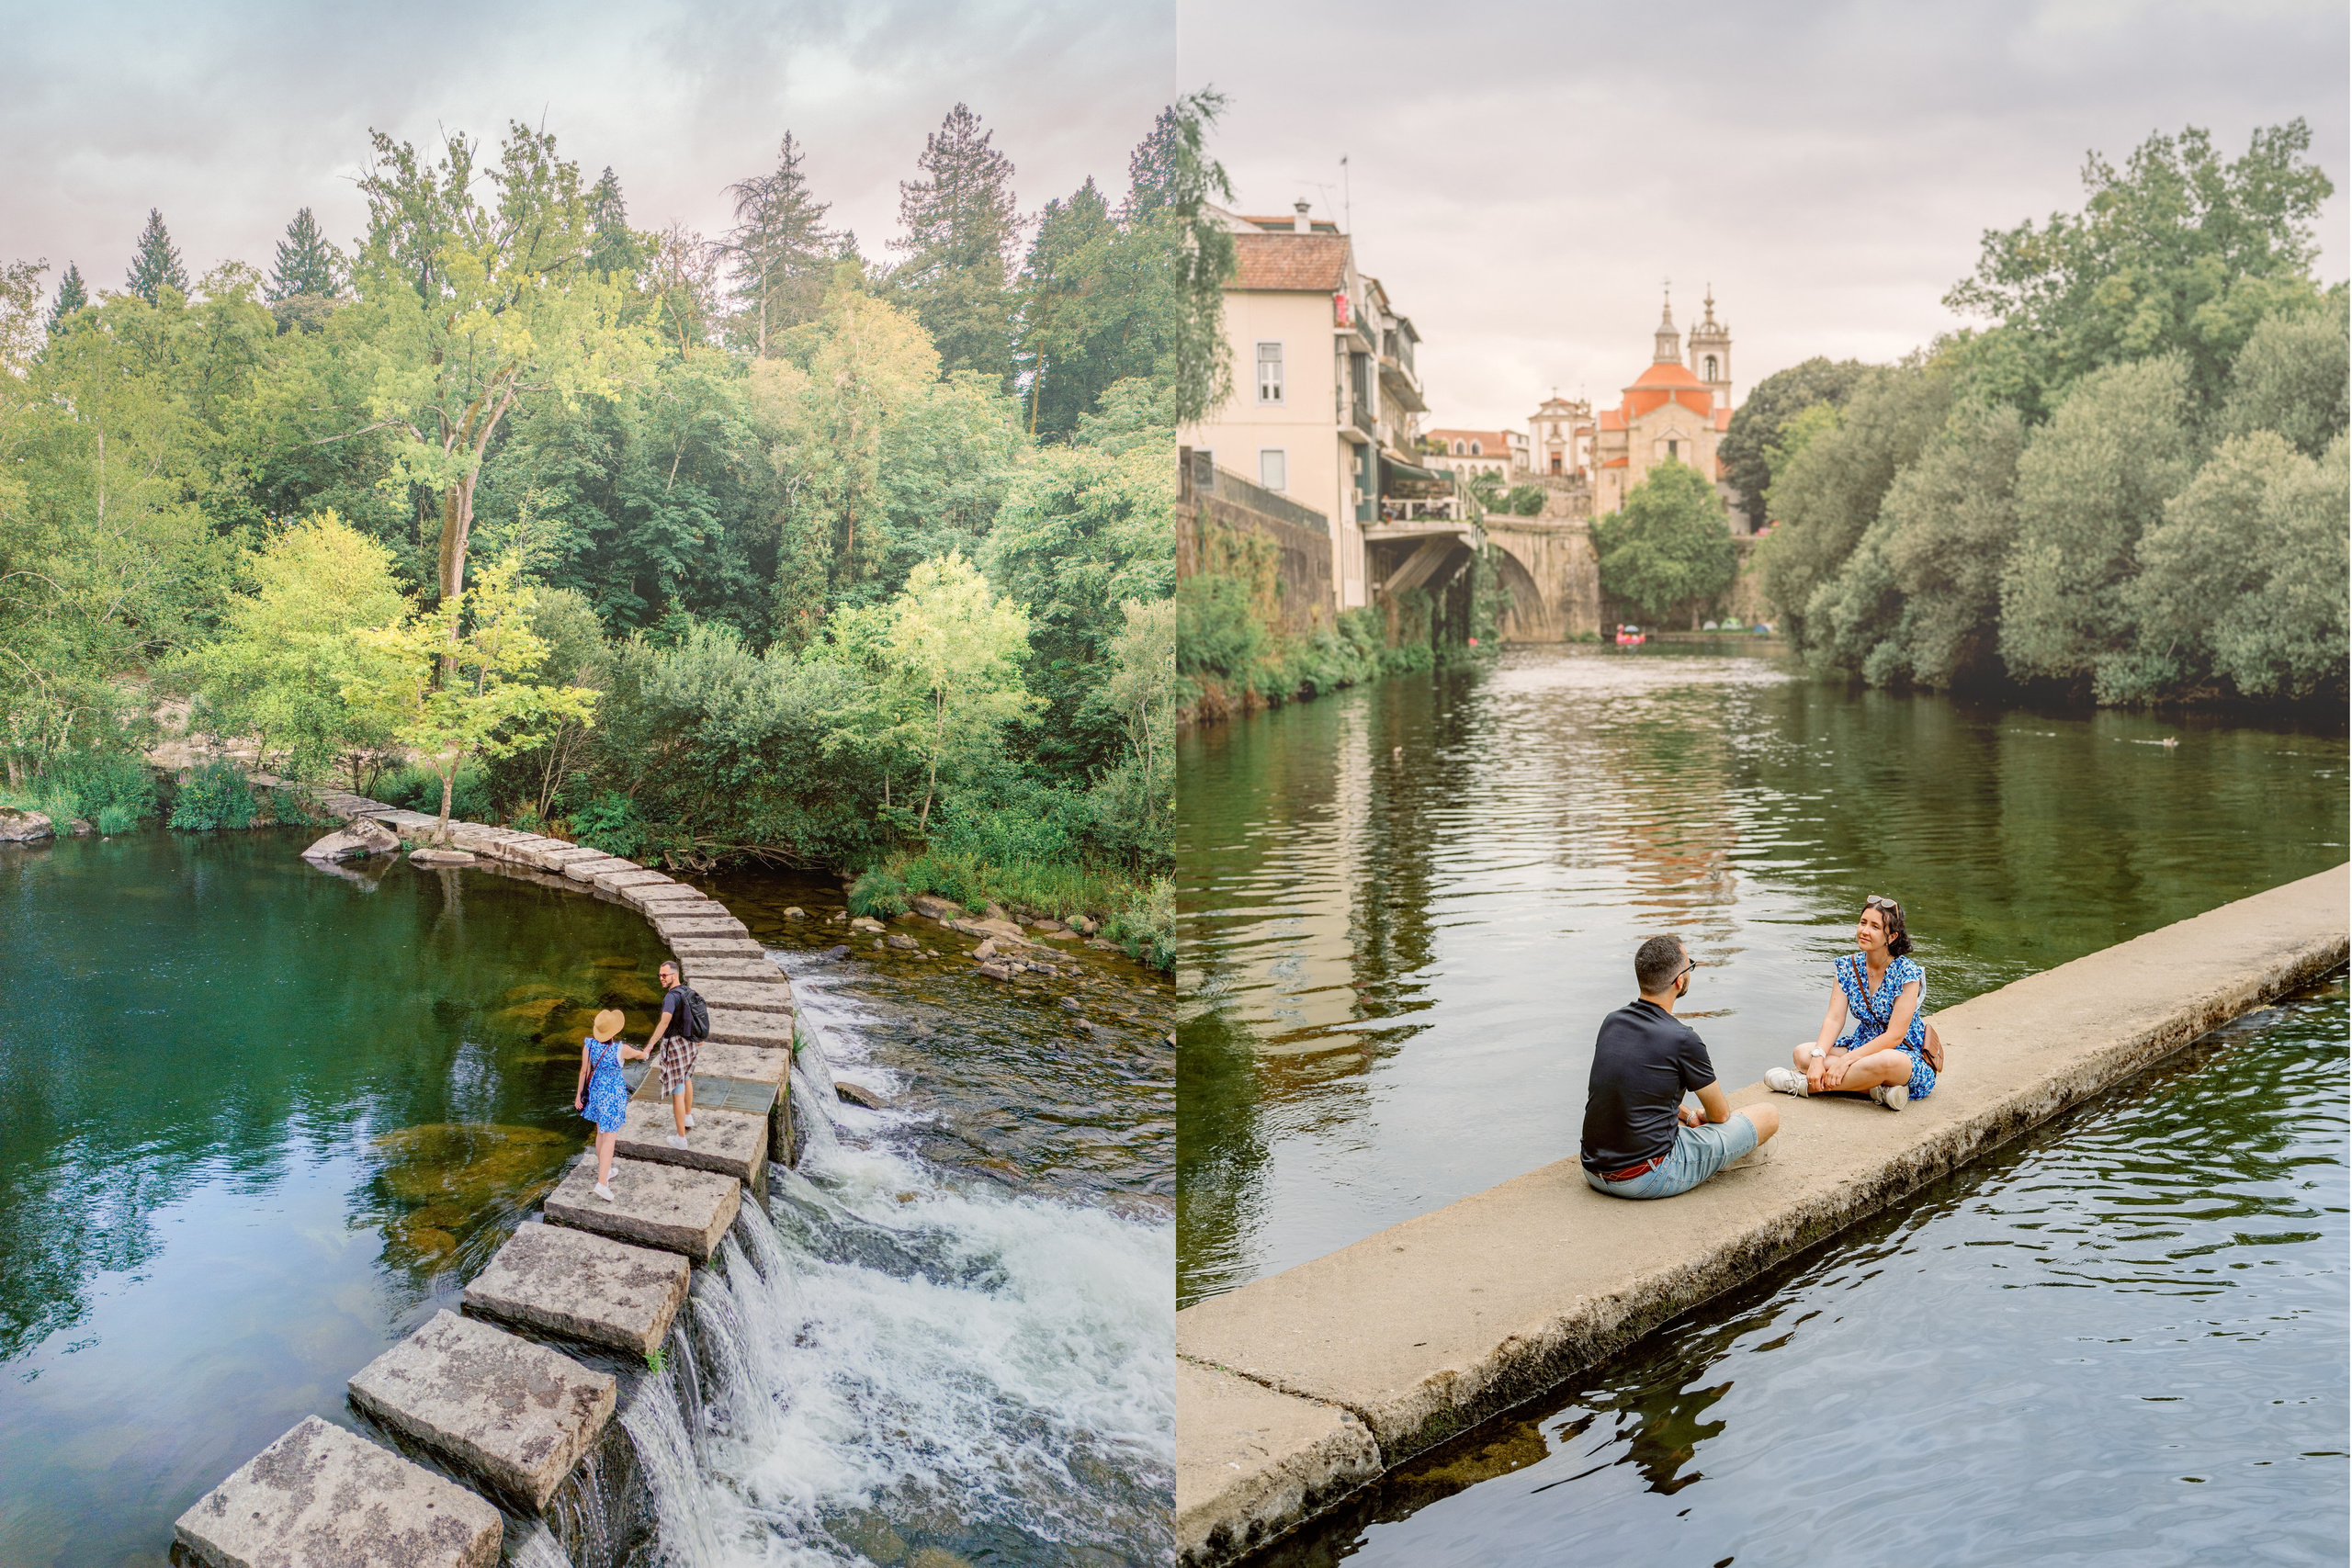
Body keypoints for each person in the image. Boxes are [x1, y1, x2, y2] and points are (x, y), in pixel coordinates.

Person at [1581, 935, 1780, 1200]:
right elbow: (1719, 1115)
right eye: (1690, 966)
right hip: (1646, 1177)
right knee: (1768, 1114)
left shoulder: (1612, 1022)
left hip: (1593, 1171)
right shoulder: (1683, 1039)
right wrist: (1700, 1116)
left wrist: (1686, 1116)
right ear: (1680, 981)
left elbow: (1632, 1096)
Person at [1765, 894, 1944, 1110]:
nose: (1864, 931)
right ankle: (1877, 1089)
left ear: (1892, 936)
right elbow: (1834, 1018)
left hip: (1902, 1053)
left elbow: (1895, 1035)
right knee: (1802, 1054)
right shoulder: (1848, 966)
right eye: (1863, 923)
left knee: (1886, 1060)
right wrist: (1818, 1057)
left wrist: (1846, 1061)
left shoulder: (1907, 973)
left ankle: (1802, 1085)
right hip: (1861, 1045)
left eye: (1875, 927)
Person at [572, 1009, 646, 1202]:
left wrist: (579, 1095)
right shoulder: (620, 1049)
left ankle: (606, 1170)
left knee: (600, 1133)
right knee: (610, 1138)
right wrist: (645, 1053)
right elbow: (640, 1055)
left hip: (596, 1092)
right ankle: (602, 1183)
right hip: (613, 1095)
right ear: (613, 1031)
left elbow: (583, 1071)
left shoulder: (588, 1044)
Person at [643, 959, 703, 1149]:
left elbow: (665, 1021)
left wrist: (650, 1044)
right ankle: (688, 1117)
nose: (661, 979)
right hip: (690, 1043)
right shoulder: (688, 991)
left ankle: (681, 1139)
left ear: (674, 975)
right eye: (659, 975)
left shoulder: (671, 997)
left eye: (664, 975)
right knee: (686, 1078)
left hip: (676, 1046)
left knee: (677, 1091)